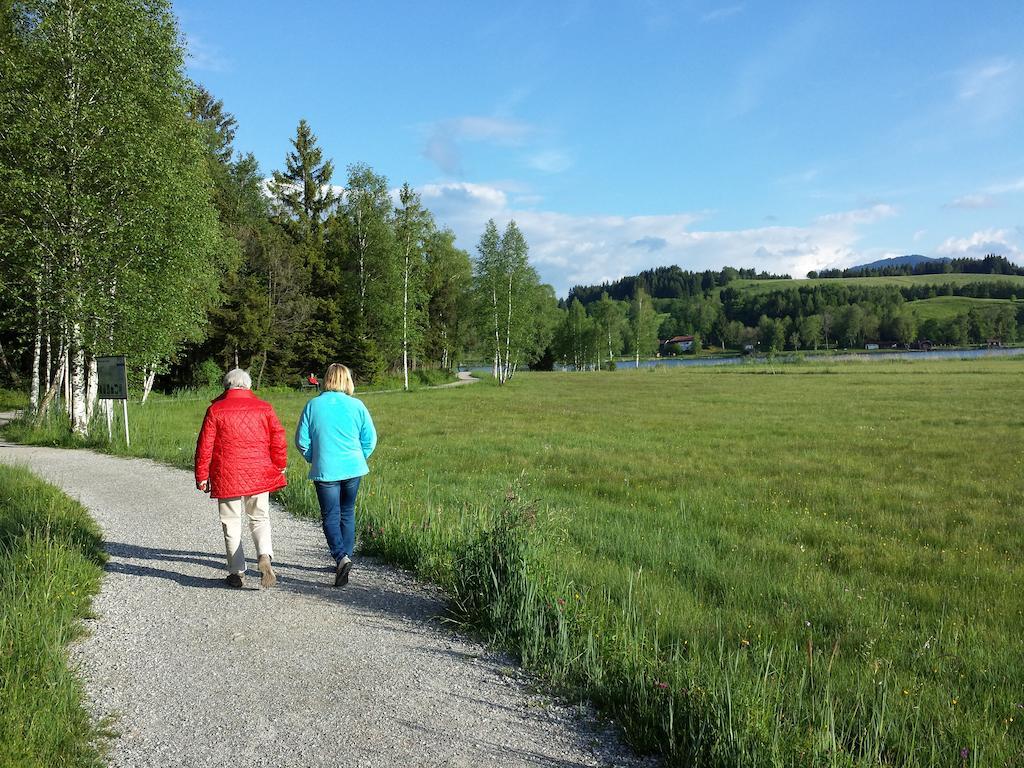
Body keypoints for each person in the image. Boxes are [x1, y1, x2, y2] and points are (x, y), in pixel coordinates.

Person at [195, 368, 288, 589]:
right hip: (258, 473)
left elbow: (204, 446)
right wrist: (280, 465)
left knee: (231, 522)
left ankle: (237, 571)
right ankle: (264, 555)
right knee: (259, 518)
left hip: (227, 474)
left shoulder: (216, 410)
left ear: (226, 386)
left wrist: (201, 475)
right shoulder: (264, 408)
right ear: (248, 386)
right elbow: (278, 438)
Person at [294, 363, 377, 587]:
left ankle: (341, 557)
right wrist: (360, 457)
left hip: (326, 469)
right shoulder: (357, 406)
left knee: (330, 515)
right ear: (347, 381)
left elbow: (301, 441)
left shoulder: (313, 405)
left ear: (326, 379)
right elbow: (370, 439)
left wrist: (314, 456)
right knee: (347, 512)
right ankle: (345, 557)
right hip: (353, 468)